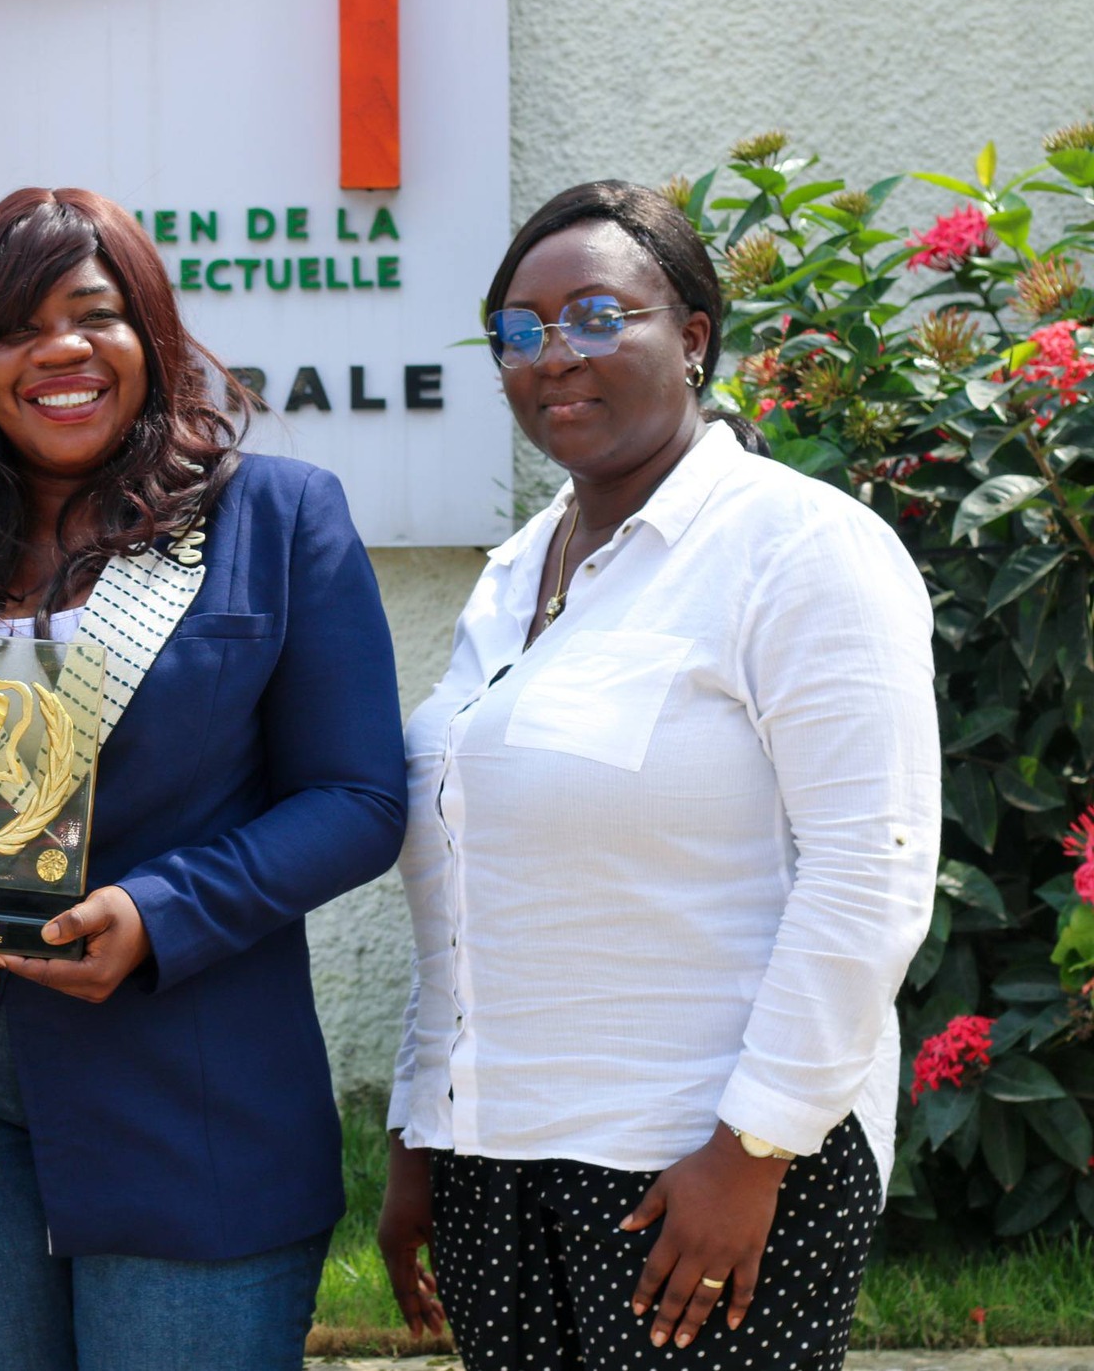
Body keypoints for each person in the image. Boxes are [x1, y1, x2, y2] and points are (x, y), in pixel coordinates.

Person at [0, 187, 407, 1370]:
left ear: (150, 334)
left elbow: (356, 799)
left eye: (92, 314)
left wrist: (158, 911)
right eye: (14, 328)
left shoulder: (269, 520)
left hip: (185, 1088)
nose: (58, 350)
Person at [378, 180, 939, 1370]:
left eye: (594, 316)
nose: (550, 355)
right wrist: (418, 1131)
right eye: (517, 332)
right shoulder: (515, 570)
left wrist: (750, 1150)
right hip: (492, 1172)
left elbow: (868, 869)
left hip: (698, 1167)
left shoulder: (797, 546)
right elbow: (468, 873)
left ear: (690, 336)